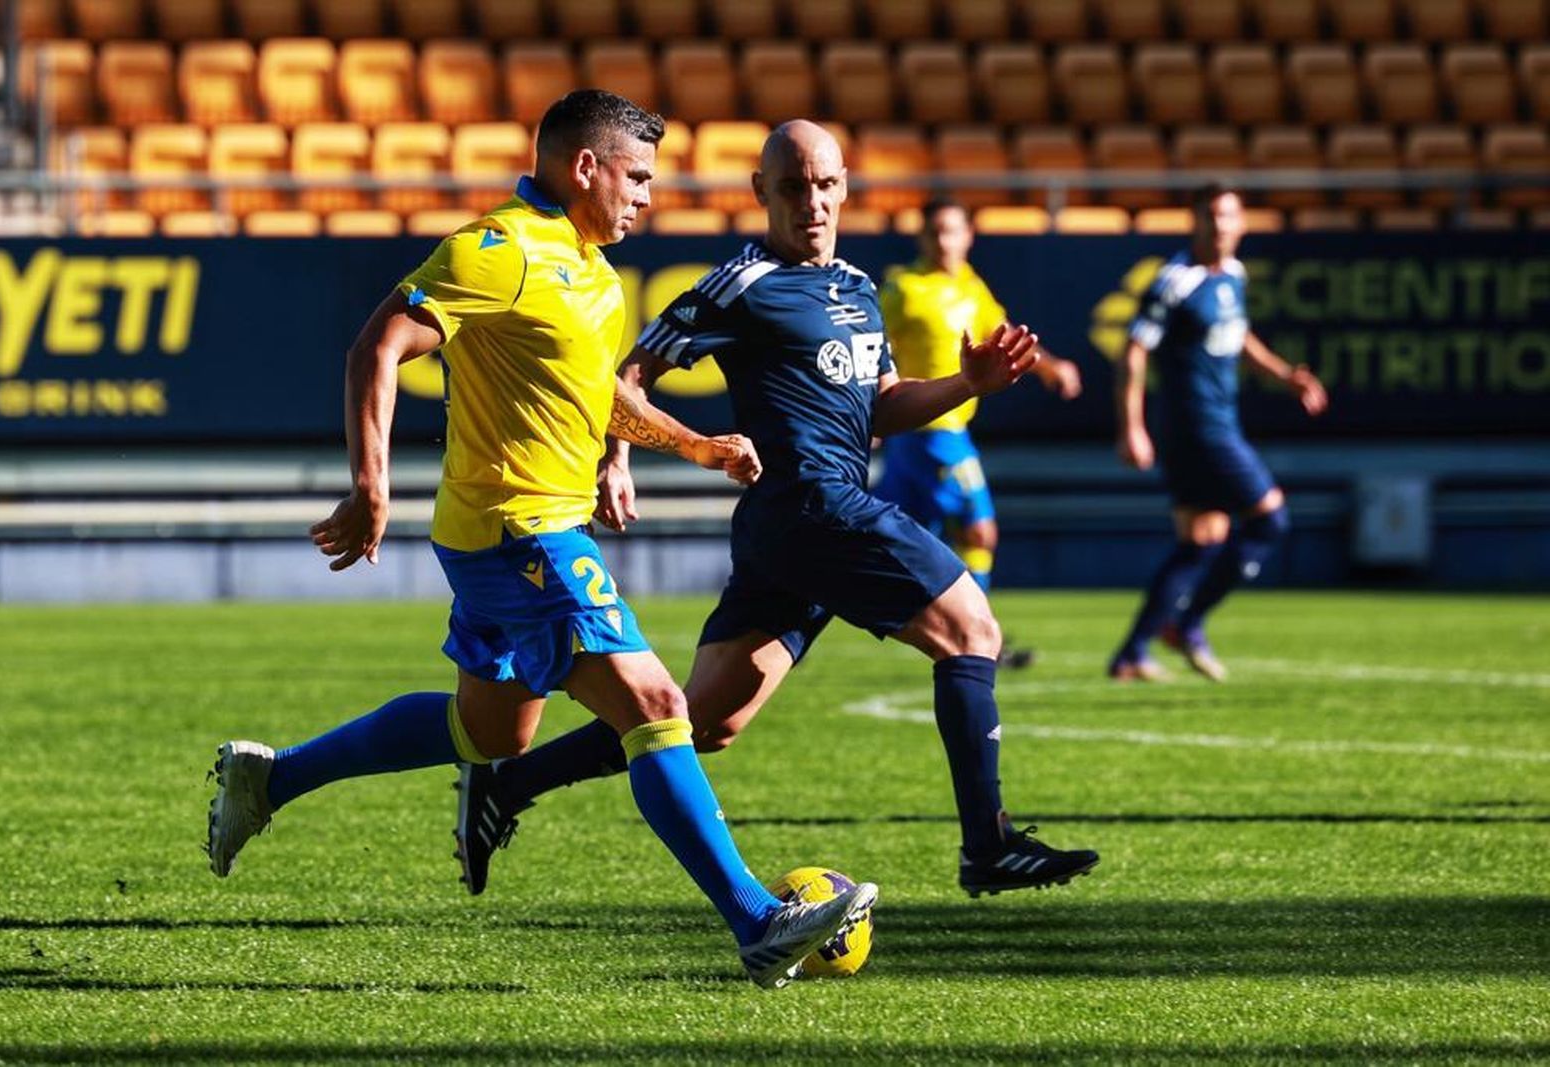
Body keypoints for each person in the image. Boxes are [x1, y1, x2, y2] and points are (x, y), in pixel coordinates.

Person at [203, 90, 875, 991]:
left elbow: (602, 397)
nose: (646, 195)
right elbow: (377, 345)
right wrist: (371, 485)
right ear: (584, 167)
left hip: (515, 533)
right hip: (521, 529)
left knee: (485, 733)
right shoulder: (503, 248)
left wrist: (695, 445)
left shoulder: (592, 272)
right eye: (635, 176)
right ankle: (756, 919)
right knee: (654, 702)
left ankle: (271, 779)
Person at [456, 120, 1100, 903]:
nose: (813, 202)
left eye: (826, 185)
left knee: (706, 720)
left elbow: (881, 407)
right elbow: (630, 373)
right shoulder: (741, 282)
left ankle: (507, 786)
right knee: (972, 629)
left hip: (794, 528)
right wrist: (617, 457)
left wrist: (968, 385)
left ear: (846, 190)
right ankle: (989, 844)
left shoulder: (859, 289)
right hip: (812, 507)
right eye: (793, 187)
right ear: (762, 192)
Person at [1108, 183, 1328, 682]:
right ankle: (1187, 625)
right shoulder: (1174, 281)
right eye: (1211, 216)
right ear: (1195, 222)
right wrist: (1132, 427)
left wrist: (1284, 376)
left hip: (1220, 421)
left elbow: (1240, 335)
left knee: (1202, 541)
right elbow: (1134, 350)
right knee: (1270, 519)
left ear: (1242, 223)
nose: (1221, 226)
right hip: (1195, 428)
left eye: (1229, 216)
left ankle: (1132, 654)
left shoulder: (1233, 276)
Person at [874, 198, 1084, 666]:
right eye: (934, 232)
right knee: (979, 531)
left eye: (951, 231)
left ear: (969, 236)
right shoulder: (903, 288)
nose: (943, 241)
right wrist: (869, 411)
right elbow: (870, 348)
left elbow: (1002, 334)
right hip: (931, 430)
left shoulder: (972, 287)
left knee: (884, 543)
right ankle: (980, 636)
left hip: (943, 434)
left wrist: (1049, 367)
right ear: (921, 238)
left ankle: (796, 617)